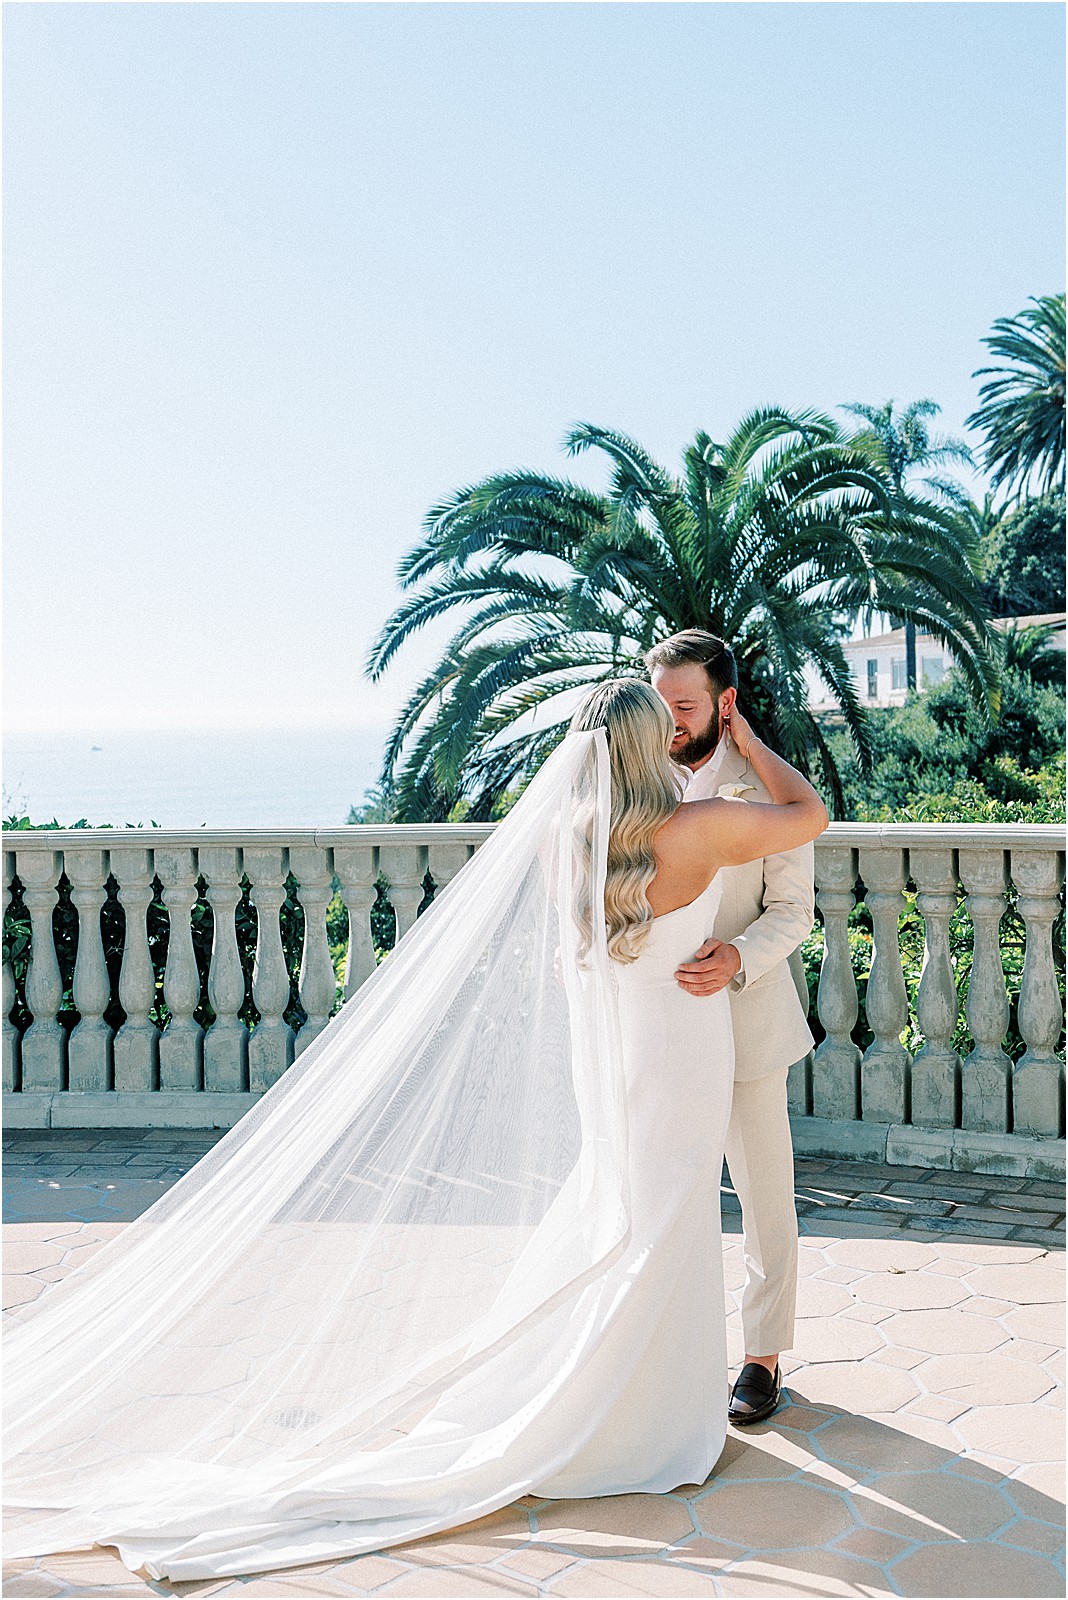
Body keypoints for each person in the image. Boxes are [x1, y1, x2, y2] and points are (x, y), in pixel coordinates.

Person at [4, 678, 827, 1583]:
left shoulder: (567, 837)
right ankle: (646, 1421)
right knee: (667, 1218)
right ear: (645, 748)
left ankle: (609, 1392)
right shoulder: (700, 829)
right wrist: (743, 738)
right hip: (682, 1050)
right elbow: (808, 813)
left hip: (620, 1055)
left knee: (620, 1206)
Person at [648, 630, 816, 1427]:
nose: (669, 721)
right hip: (656, 1025)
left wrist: (738, 958)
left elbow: (793, 913)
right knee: (661, 1191)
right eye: (659, 704)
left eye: (683, 705)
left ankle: (761, 1357)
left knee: (763, 1195)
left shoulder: (769, 791)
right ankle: (663, 1352)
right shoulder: (635, 779)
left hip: (746, 1022)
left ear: (725, 702)